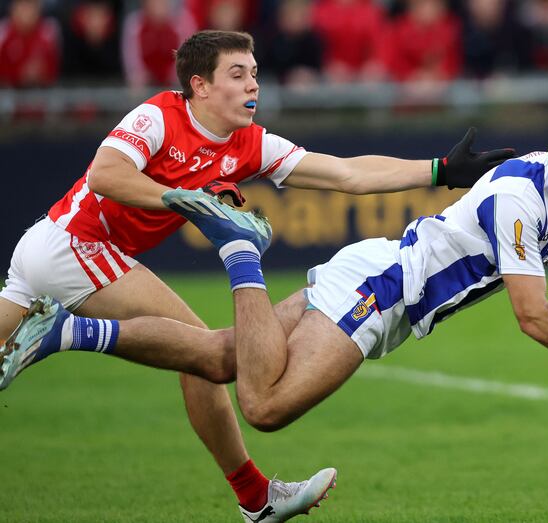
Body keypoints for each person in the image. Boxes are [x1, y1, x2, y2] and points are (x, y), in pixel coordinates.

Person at [0, 30, 514, 523]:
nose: (253, 85)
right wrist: (194, 202)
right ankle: (255, 497)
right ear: (200, 85)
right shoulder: (159, 114)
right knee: (202, 352)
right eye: (238, 73)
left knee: (198, 355)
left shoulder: (248, 142)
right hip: (74, 244)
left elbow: (343, 173)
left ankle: (255, 497)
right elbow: (104, 175)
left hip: (51, 249)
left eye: (255, 74)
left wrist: (439, 170)